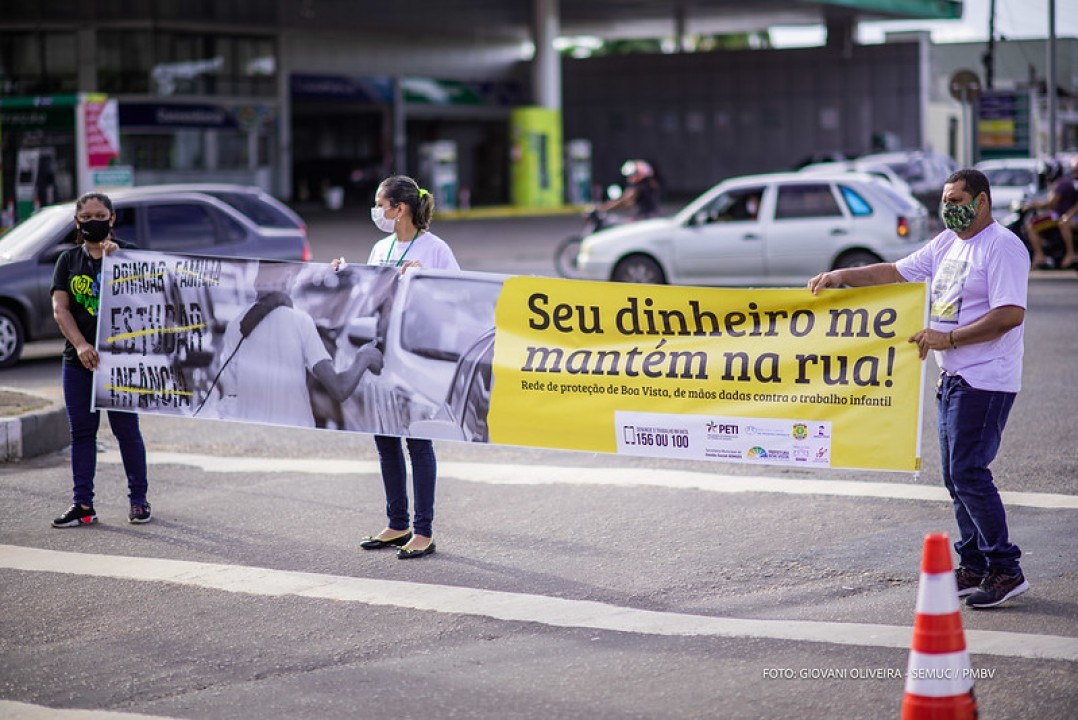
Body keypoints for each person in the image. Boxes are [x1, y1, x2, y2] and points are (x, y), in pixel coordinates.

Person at [808, 168, 1030, 609]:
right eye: (944, 200)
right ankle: (972, 564)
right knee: (955, 477)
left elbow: (1010, 314)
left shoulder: (1002, 247)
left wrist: (946, 338)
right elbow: (894, 271)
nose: (948, 207)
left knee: (969, 472)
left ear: (981, 201)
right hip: (953, 377)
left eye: (956, 199)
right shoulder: (948, 243)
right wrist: (841, 276)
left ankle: (1005, 570)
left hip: (985, 378)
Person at [360, 175, 459, 559]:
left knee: (418, 443)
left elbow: (457, 300)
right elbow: (366, 296)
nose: (376, 212)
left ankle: (423, 531)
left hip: (417, 361)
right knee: (385, 442)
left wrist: (426, 281)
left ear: (399, 208)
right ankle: (397, 523)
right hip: (382, 358)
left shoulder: (435, 250)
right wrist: (341, 276)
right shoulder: (380, 247)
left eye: (379, 204)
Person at [50, 192, 151, 527]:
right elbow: (60, 309)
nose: (93, 221)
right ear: (77, 222)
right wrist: (80, 345)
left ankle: (139, 501)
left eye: (100, 215)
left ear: (112, 218)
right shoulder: (67, 261)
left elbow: (147, 302)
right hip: (79, 362)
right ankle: (83, 505)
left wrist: (118, 263)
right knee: (82, 433)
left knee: (127, 431)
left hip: (120, 362)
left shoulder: (129, 254)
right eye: (86, 216)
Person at [205, 261, 383, 427]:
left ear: (256, 282)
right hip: (294, 432)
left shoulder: (235, 326)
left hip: (251, 434)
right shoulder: (301, 322)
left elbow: (228, 395)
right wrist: (364, 357)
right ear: (287, 283)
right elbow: (339, 389)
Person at [1024, 157, 1077, 270]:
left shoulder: (1061, 183)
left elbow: (1050, 203)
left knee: (1031, 226)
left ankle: (1041, 256)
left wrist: (1032, 205)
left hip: (1060, 217)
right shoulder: (1062, 182)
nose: (1046, 176)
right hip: (1059, 216)